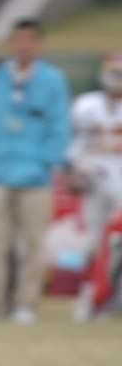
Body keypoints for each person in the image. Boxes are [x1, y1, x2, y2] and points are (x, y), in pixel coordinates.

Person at [0, 19, 71, 324]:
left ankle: (26, 303)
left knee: (33, 244)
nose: (23, 46)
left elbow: (60, 125)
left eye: (29, 40)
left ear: (38, 44)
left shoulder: (52, 79)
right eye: (18, 40)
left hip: (35, 176)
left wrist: (48, 161)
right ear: (11, 44)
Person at [67, 52, 122, 320]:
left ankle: (112, 298)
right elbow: (77, 145)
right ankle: (91, 296)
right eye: (114, 73)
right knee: (92, 243)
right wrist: (74, 171)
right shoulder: (86, 105)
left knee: (116, 244)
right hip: (94, 180)